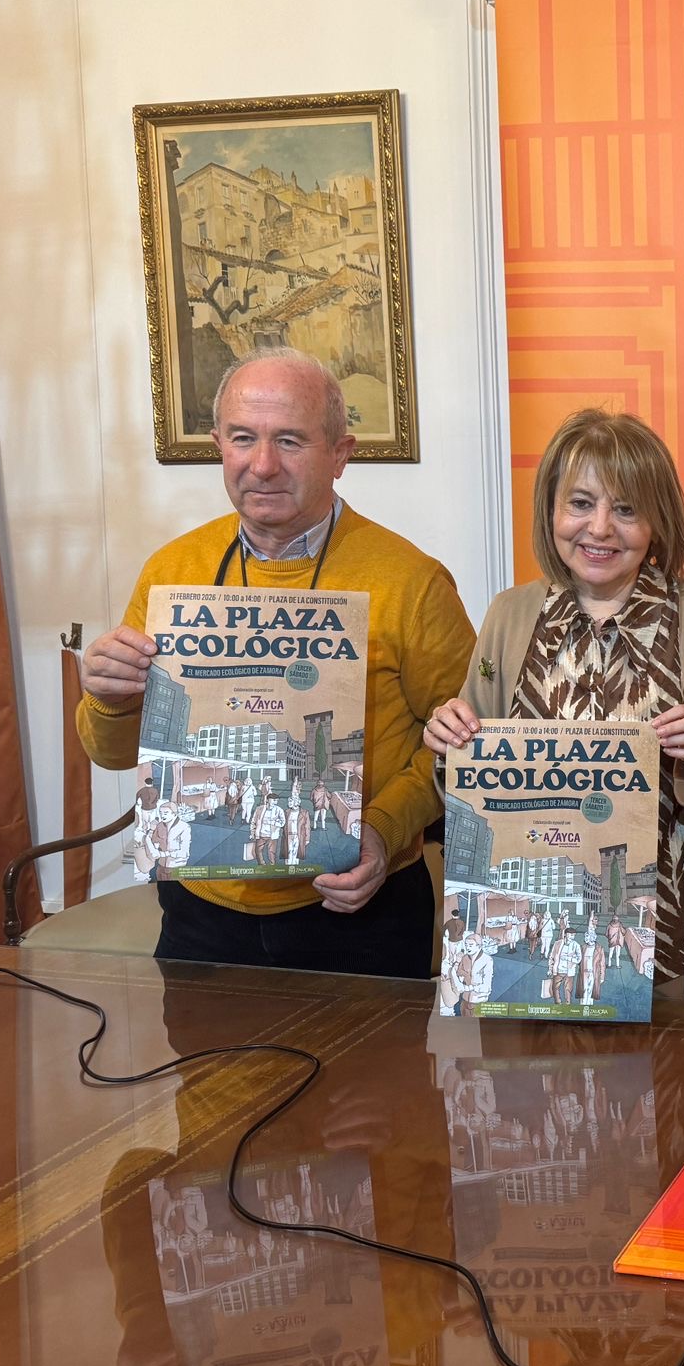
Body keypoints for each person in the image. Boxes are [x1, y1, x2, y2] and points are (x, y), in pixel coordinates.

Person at [76, 347, 476, 979]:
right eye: (243, 438)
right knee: (202, 1050)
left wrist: (381, 830)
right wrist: (108, 697)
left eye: (290, 440)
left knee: (370, 1055)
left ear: (340, 455)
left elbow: (466, 747)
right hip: (201, 910)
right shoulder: (172, 572)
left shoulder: (412, 582)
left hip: (357, 906)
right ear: (218, 446)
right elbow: (114, 754)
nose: (262, 465)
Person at [423, 408, 684, 1003]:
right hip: (531, 933)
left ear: (658, 521)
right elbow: (468, 783)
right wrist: (450, 744)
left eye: (626, 509)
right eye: (580, 503)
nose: (600, 529)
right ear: (550, 510)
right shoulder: (510, 616)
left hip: (671, 942)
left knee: (674, 1066)